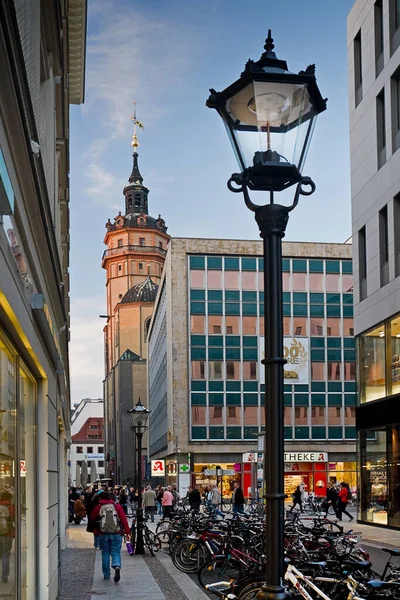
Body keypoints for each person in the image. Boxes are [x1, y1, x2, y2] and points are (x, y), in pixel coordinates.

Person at [91, 491, 130, 582]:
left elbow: (92, 519)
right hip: (116, 532)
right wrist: (127, 531)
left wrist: (95, 531)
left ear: (100, 498)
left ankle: (106, 575)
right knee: (115, 552)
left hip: (102, 533)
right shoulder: (117, 506)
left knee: (105, 553)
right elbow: (123, 519)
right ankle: (116, 566)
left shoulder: (98, 507)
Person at [0, 491, 14, 584]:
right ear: (9, 498)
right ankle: (4, 577)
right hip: (7, 533)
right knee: (5, 555)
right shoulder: (11, 507)